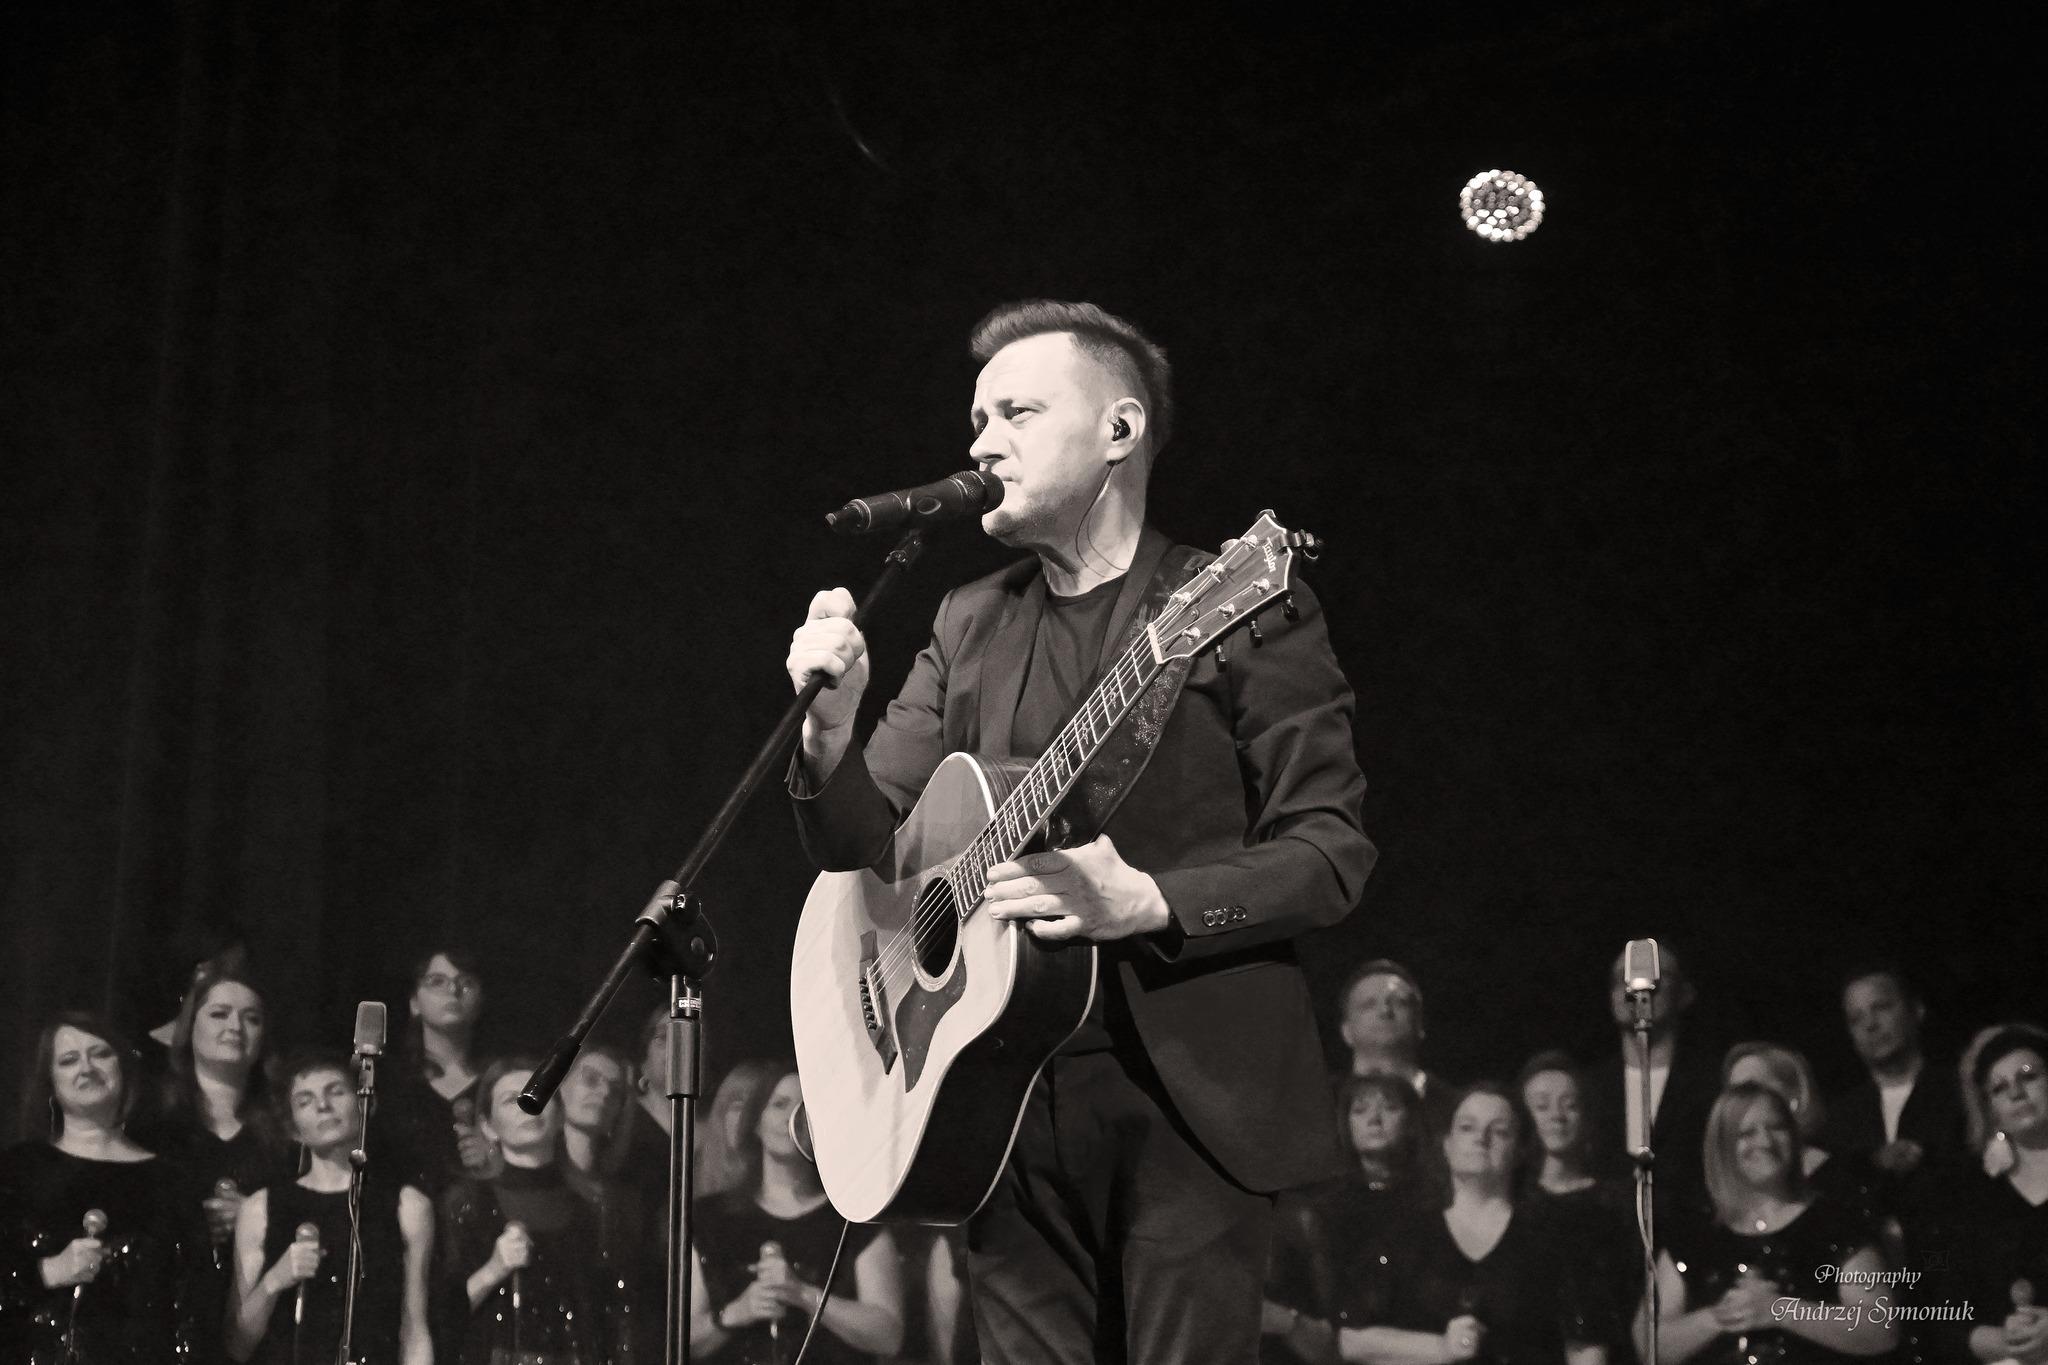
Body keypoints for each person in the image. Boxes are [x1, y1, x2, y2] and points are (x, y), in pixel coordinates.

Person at [785, 299, 1373, 1363]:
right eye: (977, 419)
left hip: (1189, 1098)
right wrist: (828, 734)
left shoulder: (1238, 604)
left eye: (1016, 413)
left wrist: (1147, 900)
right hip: (989, 1096)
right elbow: (865, 848)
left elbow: (1330, 855)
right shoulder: (968, 618)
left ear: (1119, 430)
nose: (980, 443)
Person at [1336, 1083, 1602, 1365]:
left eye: (1499, 1131)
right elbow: (1351, 1338)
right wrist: (1440, 1348)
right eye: (1467, 1128)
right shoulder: (1404, 1236)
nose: (1481, 1138)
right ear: (1447, 1145)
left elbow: (1587, 1347)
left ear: (1520, 1151)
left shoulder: (1555, 1239)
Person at [1640, 1082, 1897, 1365]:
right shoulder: (1695, 1232)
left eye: (1777, 1128)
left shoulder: (1837, 1222)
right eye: (1746, 1133)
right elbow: (1650, 1344)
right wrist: (1724, 1315)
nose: (1765, 1141)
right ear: (1722, 1145)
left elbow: (1879, 1327)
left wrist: (1780, 1310)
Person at [0, 1011, 193, 1363]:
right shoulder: (16, 1170)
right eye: (69, 1060)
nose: (86, 1068)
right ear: (50, 1083)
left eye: (100, 1054)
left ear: (124, 1068)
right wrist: (46, 1272)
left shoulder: (171, 1181)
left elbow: (192, 1307)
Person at [224, 1052, 434, 1365]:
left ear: (364, 1104)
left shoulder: (408, 1205)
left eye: (336, 1092)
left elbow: (414, 1328)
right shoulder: (261, 1208)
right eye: (305, 1101)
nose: (323, 1105)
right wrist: (275, 1279)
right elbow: (236, 1343)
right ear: (293, 1127)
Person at [688, 1066, 904, 1363]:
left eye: (805, 1107)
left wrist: (803, 1294)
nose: (793, 1117)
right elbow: (681, 1340)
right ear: (756, 1122)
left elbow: (888, 1335)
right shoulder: (711, 1218)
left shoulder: (854, 1217)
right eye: (780, 1105)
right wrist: (739, 1311)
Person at [141, 969, 286, 1364]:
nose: (235, 1027)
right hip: (170, 1316)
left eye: (251, 1018)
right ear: (190, 1026)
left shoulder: (288, 1131)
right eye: (219, 1014)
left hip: (263, 1324)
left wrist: (256, 1217)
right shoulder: (151, 1124)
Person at [439, 1055, 613, 1365]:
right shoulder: (466, 1203)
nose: (529, 1105)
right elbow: (440, 1318)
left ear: (559, 1115)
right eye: (511, 1100)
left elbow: (612, 1318)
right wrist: (494, 1269)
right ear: (488, 1126)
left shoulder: (593, 1207)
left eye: (539, 1094)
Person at [1265, 1074, 1427, 1364]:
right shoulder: (1325, 1207)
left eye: (1389, 1108)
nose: (1374, 1119)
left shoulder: (1435, 1199)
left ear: (1412, 1121)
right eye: (1360, 1110)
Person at [1583, 941, 1720, 1242]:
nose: (1637, 986)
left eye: (1656, 976)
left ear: (1685, 994)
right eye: (1623, 978)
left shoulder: (1712, 1086)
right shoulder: (1587, 1090)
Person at [1822, 963, 1964, 1231]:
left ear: (1916, 1011)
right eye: (1856, 1018)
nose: (1870, 1024)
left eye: (1881, 1008)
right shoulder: (1840, 1119)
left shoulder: (1959, 1092)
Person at [1937, 1024, 2048, 1363]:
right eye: (1999, 1088)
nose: (2016, 1093)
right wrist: (2012, 1342)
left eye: (2028, 1076)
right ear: (1989, 1110)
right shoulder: (1971, 1195)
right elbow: (1946, 1314)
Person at [1515, 1052, 1633, 1364]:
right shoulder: (1512, 1202)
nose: (1557, 1115)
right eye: (1542, 1106)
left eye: (1570, 1105)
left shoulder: (1614, 1204)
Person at [382, 946, 490, 1191]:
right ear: (414, 1003)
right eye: (437, 981)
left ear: (480, 1001)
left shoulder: (500, 1081)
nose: (453, 990)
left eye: (466, 982)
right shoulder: (387, 1079)